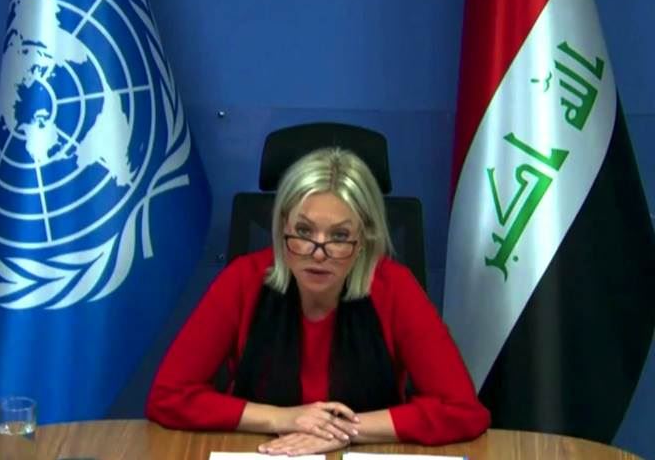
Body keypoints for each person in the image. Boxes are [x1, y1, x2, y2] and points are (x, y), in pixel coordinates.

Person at [146, 148, 490, 455]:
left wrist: (342, 430)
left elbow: (463, 411)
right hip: (265, 451)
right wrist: (284, 418)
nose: (318, 253)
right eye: (304, 231)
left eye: (339, 236)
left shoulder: (395, 287)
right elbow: (169, 397)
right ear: (283, 226)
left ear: (364, 237)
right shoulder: (242, 280)